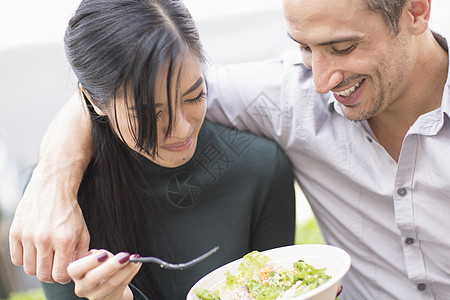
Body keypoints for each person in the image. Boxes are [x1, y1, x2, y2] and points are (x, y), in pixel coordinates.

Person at [9, 0, 450, 298]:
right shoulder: (286, 98)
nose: (321, 82)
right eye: (304, 49)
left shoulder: (256, 154)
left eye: (343, 47)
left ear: (416, 10)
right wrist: (52, 180)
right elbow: (123, 85)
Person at [8, 0, 296, 299]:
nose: (182, 129)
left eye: (194, 95)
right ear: (93, 101)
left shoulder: (260, 169)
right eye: (149, 113)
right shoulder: (57, 208)